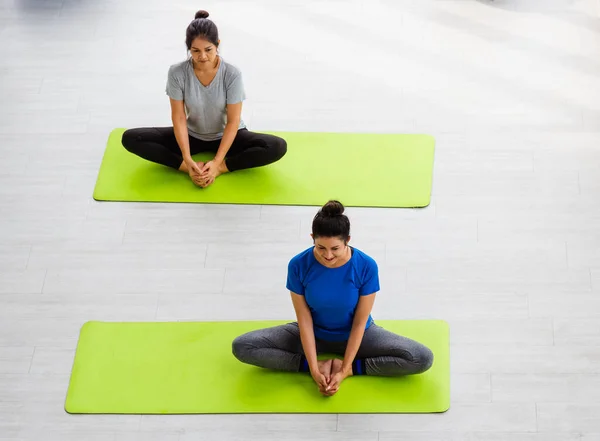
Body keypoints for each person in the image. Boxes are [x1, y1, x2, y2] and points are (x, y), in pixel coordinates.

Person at [232, 200, 434, 396]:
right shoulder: (298, 265)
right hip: (314, 334)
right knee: (242, 346)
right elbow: (304, 319)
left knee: (422, 358)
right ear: (312, 238)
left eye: (335, 248)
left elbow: (359, 323)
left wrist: (346, 369)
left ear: (348, 240)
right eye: (321, 248)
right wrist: (312, 367)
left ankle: (356, 367)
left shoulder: (366, 266)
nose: (328, 255)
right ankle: (313, 364)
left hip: (359, 335)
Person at [121, 10, 287, 188]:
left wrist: (217, 164)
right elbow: (178, 117)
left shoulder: (231, 74)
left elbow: (233, 120)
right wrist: (187, 159)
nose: (202, 56)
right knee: (131, 138)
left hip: (228, 135)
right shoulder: (177, 73)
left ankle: (223, 168)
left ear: (217, 45)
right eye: (195, 51)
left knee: (277, 146)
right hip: (192, 134)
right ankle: (188, 169)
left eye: (208, 50)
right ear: (188, 48)